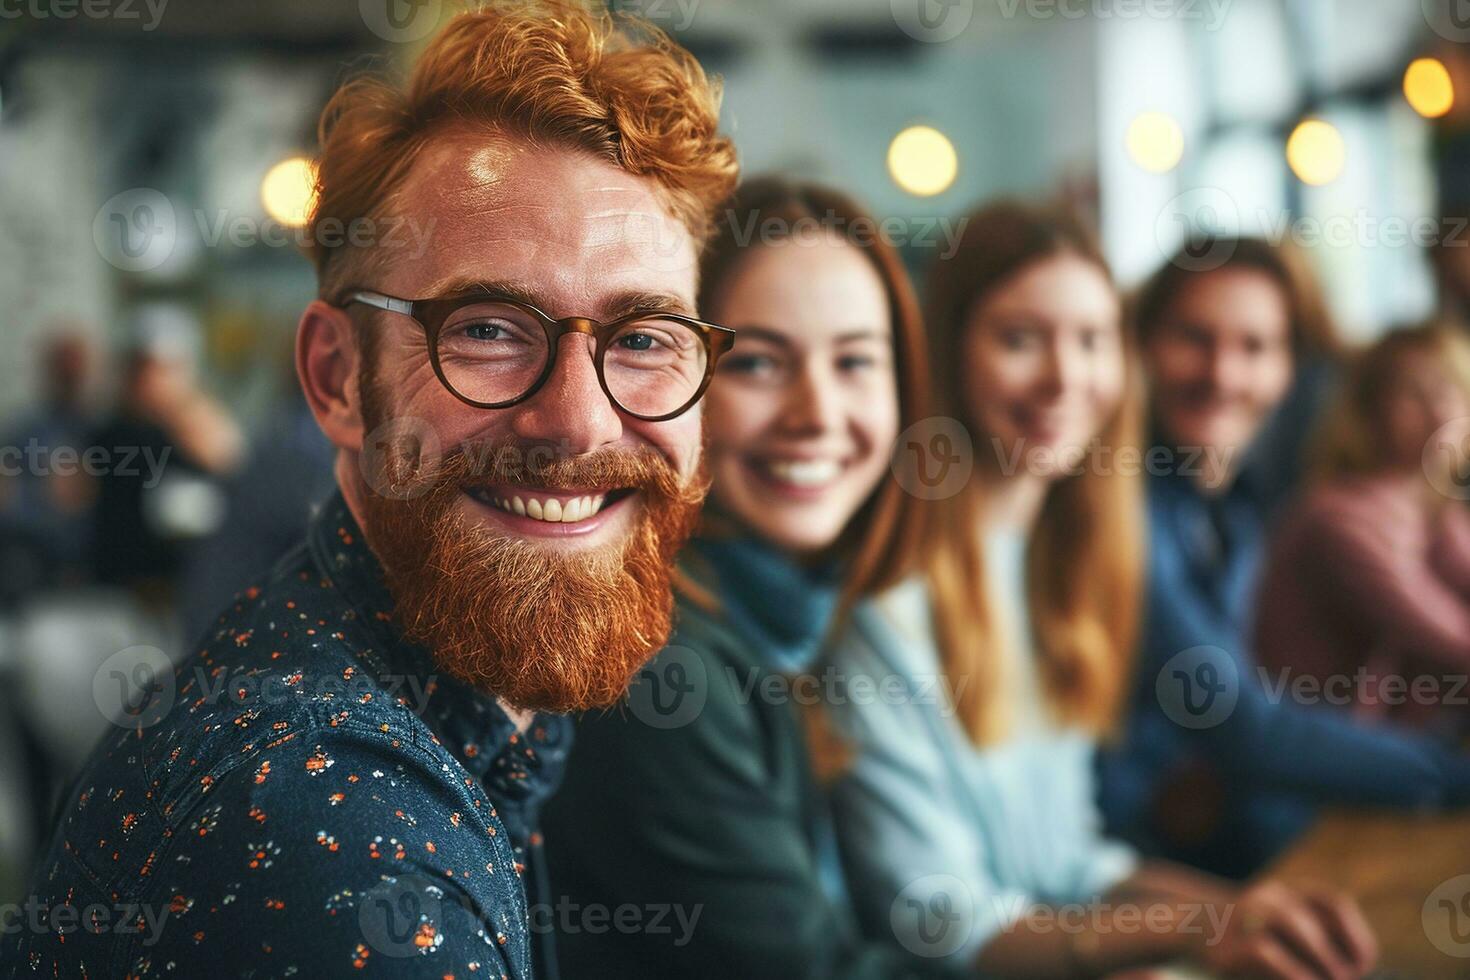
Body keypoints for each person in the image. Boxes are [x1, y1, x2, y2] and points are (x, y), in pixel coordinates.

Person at [4, 3, 738, 977]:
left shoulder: (435, 714)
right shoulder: (326, 831)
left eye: (643, 339)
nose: (578, 421)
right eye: (487, 328)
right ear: (338, 378)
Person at [825, 201, 1378, 979]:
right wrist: (1191, 932)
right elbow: (946, 924)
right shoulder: (888, 604)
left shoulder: (1060, 569)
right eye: (1020, 339)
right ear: (948, 355)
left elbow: (1069, 862)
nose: (1065, 377)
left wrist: (1239, 913)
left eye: (1091, 341)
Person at [543, 178, 945, 978]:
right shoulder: (658, 668)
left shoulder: (794, 625)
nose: (818, 413)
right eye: (759, 362)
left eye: (857, 360)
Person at [1098, 237, 1470, 880]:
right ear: (1142, 346)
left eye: (1254, 347)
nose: (1222, 373)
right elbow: (1246, 729)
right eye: (1193, 337)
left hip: (1223, 827)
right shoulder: (1121, 511)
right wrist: (1451, 773)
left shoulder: (1237, 510)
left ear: (1288, 369)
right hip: (1133, 862)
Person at [1255, 322, 1470, 737]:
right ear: (1369, 409)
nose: (1441, 412)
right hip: (1304, 759)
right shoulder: (1342, 517)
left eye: (1452, 391)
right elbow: (1452, 638)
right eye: (1415, 393)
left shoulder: (1432, 510)